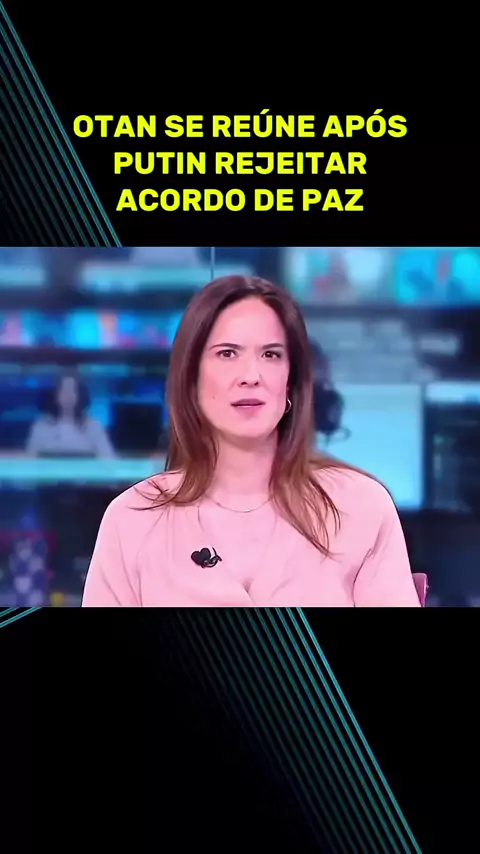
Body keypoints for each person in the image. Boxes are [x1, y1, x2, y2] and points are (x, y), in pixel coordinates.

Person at [82, 275, 420, 607]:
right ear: (192, 379)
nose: (251, 376)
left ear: (290, 381)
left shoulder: (360, 508)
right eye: (228, 353)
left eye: (271, 355)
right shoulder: (132, 521)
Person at [26, 373, 115, 458]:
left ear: (80, 395)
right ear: (56, 395)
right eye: (64, 391)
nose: (68, 396)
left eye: (72, 391)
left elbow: (108, 458)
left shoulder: (93, 426)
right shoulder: (41, 426)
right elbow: (30, 459)